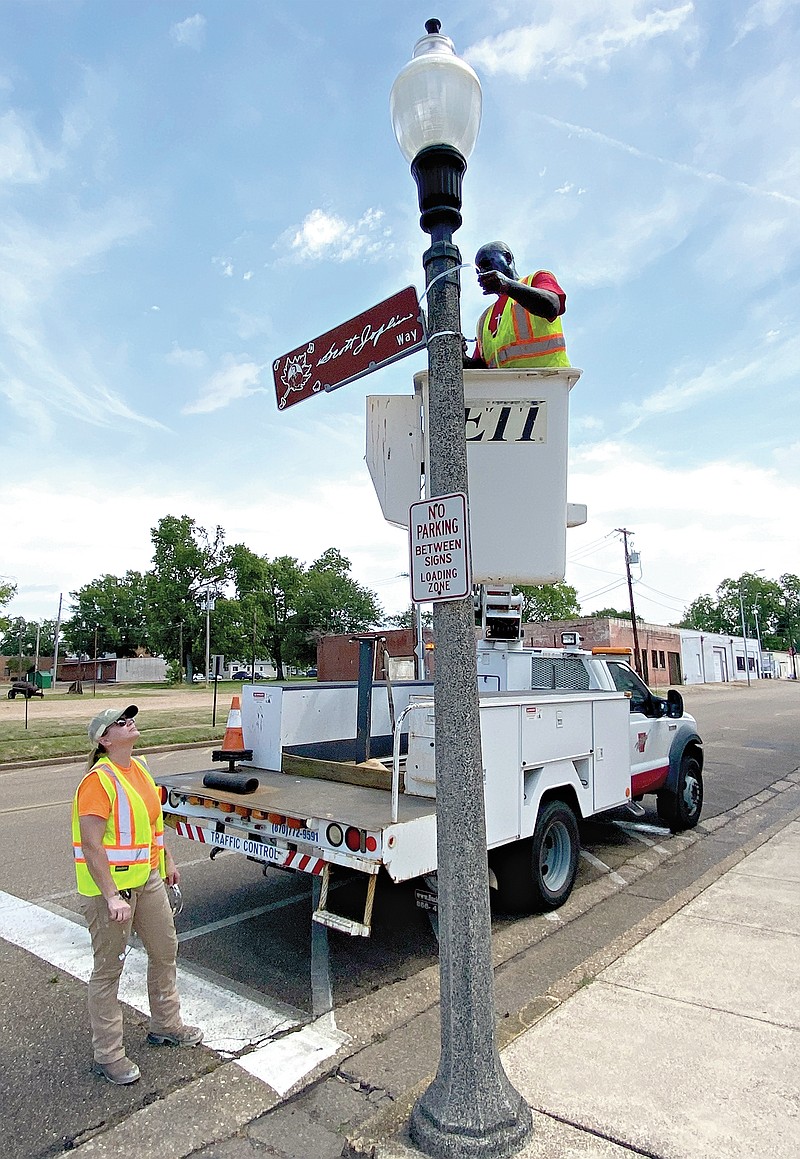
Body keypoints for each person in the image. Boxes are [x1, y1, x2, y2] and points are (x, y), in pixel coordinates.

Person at [72, 704, 202, 1085]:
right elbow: (92, 846)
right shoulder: (98, 781)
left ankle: (166, 1024)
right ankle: (108, 1055)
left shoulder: (140, 769)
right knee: (108, 969)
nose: (130, 723)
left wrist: (167, 862)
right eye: (120, 722)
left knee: (165, 949)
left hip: (147, 881)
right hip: (110, 892)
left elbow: (152, 825)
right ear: (104, 739)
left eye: (130, 718)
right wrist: (112, 896)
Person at [464, 241, 570, 369]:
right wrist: (462, 359)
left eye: (486, 265)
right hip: (507, 387)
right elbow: (483, 369)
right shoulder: (484, 319)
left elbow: (551, 306)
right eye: (478, 271)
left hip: (548, 382)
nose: (481, 273)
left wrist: (507, 286)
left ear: (507, 258)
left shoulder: (536, 279)